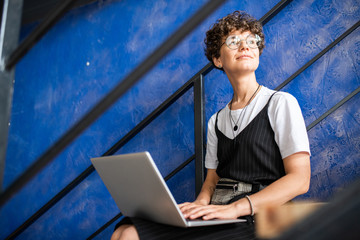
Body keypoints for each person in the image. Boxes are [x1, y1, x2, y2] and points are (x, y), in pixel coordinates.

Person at [111, 10, 311, 240]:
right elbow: (212, 180)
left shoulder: (281, 103)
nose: (245, 46)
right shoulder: (215, 121)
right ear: (217, 59)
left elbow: (300, 180)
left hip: (257, 215)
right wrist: (198, 205)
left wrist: (234, 208)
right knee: (126, 229)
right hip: (220, 211)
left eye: (251, 41)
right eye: (234, 41)